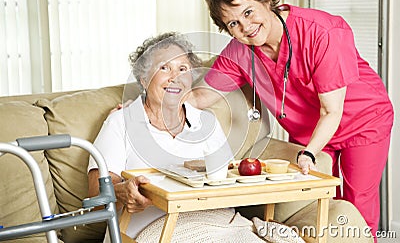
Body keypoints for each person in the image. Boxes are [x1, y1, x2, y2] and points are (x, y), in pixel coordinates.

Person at [189, 0, 394, 241]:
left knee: (356, 205)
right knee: (314, 203)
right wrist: (146, 100)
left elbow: (331, 111)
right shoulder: (240, 52)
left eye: (248, 12)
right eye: (233, 24)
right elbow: (200, 96)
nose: (245, 27)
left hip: (362, 120)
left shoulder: (322, 32)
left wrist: (308, 153)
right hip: (309, 129)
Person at [87, 32, 299, 242]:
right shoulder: (120, 122)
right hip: (154, 230)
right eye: (164, 68)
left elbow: (227, 183)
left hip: (220, 224)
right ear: (143, 79)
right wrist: (122, 192)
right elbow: (96, 196)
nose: (175, 77)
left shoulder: (206, 122)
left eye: (183, 69)